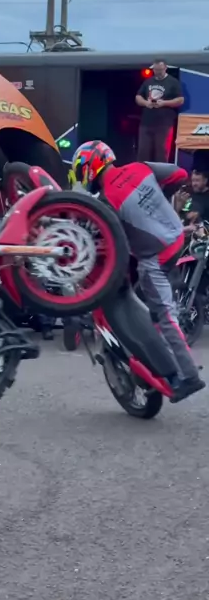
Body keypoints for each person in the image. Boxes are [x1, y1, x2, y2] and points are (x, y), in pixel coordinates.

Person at [70, 140, 205, 403]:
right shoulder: (140, 168)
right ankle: (162, 352)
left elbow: (100, 234)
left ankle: (188, 376)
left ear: (89, 167)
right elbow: (179, 174)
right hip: (177, 238)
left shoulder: (106, 201)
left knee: (164, 315)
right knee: (150, 304)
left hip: (155, 257)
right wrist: (156, 195)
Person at [136, 60, 184, 163]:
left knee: (161, 151)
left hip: (164, 123)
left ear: (165, 68)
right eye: (156, 70)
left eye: (160, 70)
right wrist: (146, 103)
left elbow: (180, 100)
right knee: (143, 151)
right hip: (146, 122)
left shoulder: (173, 82)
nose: (157, 72)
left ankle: (162, 172)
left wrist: (164, 103)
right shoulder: (148, 82)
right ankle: (143, 171)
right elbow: (138, 97)